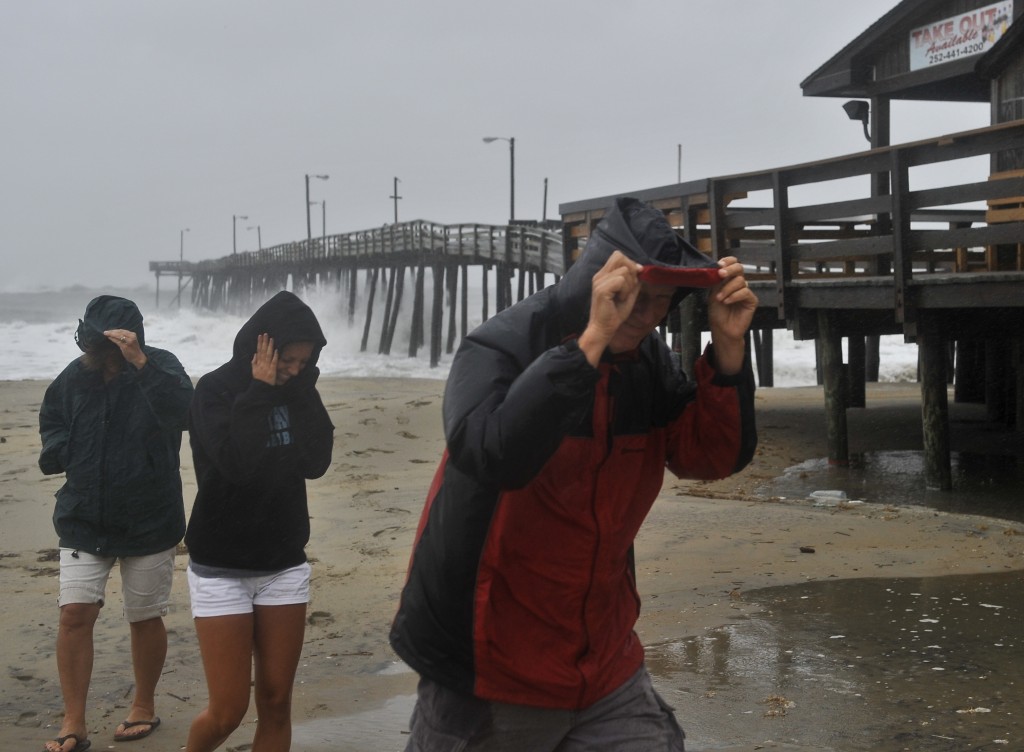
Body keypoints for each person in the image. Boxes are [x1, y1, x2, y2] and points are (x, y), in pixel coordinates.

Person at [389, 196, 760, 751]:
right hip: (487, 665)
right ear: (597, 280)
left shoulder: (647, 363)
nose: (646, 316)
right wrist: (589, 345)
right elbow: (492, 452)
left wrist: (728, 353)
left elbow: (706, 456)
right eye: (633, 298)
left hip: (603, 659)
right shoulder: (500, 346)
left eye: (661, 302)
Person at [38, 295, 194, 752]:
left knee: (144, 616)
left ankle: (143, 705)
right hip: (84, 514)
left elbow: (184, 413)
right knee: (74, 614)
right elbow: (52, 418)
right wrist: (62, 451)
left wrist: (141, 363)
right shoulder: (76, 374)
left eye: (102, 347)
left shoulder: (161, 367)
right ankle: (74, 722)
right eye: (90, 345)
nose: (94, 355)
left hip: (151, 517)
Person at [183, 290, 334, 752]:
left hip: (283, 563)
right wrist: (259, 392)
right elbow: (236, 464)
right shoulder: (214, 391)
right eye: (288, 360)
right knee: (228, 712)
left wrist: (300, 390)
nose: (294, 369)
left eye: (304, 362)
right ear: (261, 347)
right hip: (220, 566)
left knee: (275, 702)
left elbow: (316, 461)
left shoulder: (300, 390)